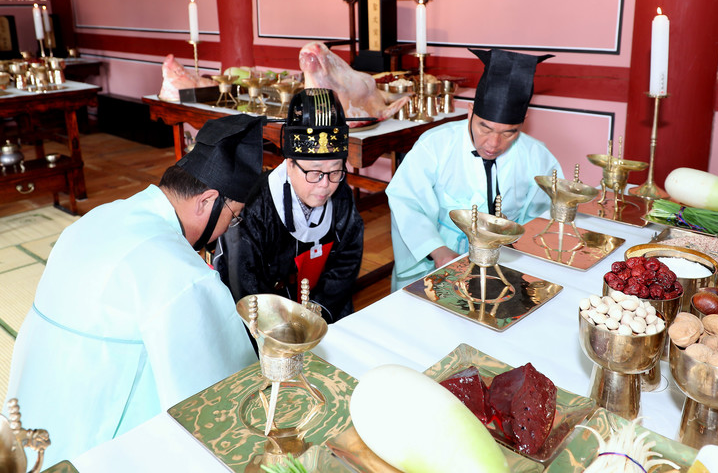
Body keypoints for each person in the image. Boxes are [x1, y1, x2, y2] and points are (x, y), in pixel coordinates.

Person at [5, 115, 265, 467]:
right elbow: (219, 385)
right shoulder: (180, 273)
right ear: (206, 201)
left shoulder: (101, 215)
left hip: (30, 407)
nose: (230, 226)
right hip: (91, 434)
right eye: (233, 216)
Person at [386, 48, 563, 291]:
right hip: (438, 260)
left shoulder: (537, 156)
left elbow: (545, 216)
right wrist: (438, 251)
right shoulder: (435, 145)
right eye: (485, 128)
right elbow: (406, 200)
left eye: (509, 133)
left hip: (507, 262)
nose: (493, 144)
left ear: (523, 123)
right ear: (470, 112)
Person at [215, 88, 364, 324]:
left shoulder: (341, 193)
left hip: (322, 307)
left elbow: (348, 258)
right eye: (314, 172)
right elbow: (244, 284)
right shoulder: (252, 206)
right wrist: (285, 327)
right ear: (290, 164)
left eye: (335, 171)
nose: (325, 184)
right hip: (266, 318)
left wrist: (317, 313)